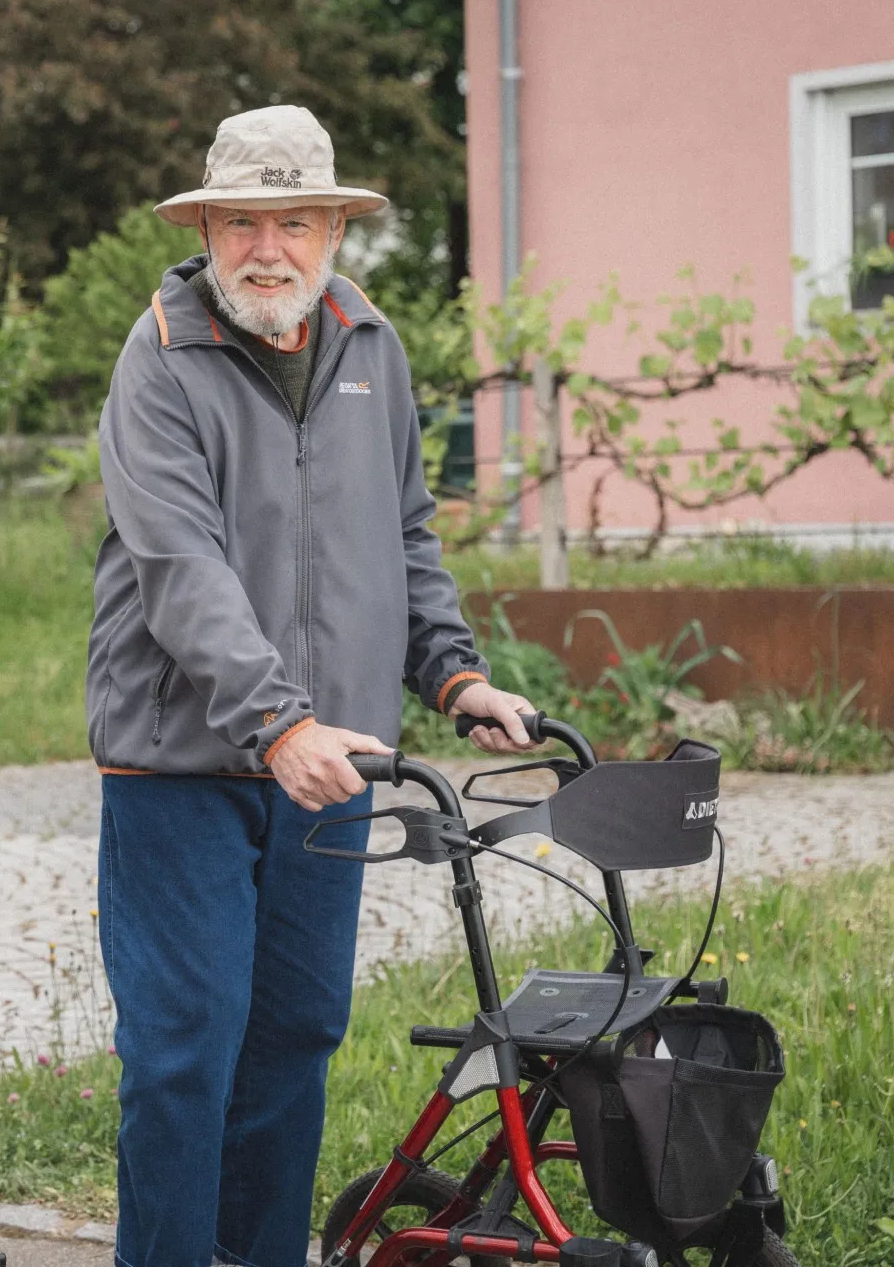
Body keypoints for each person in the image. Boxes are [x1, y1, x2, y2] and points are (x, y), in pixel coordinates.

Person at [86, 105, 537, 1267]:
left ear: (334, 229)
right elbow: (176, 565)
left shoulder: (368, 344)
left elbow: (402, 529)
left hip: (327, 761)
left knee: (293, 1032)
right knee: (184, 1044)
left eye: (292, 220)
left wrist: (453, 671)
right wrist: (274, 719)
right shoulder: (160, 355)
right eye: (241, 221)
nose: (266, 247)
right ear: (206, 228)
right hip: (179, 762)